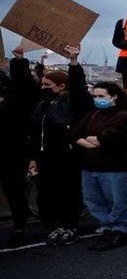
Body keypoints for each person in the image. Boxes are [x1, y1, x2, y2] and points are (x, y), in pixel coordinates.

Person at [23, 47, 89, 245]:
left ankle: (70, 226)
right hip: (45, 155)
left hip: (66, 155)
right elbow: (35, 131)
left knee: (67, 191)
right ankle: (54, 225)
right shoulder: (42, 104)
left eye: (47, 84)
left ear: (61, 86)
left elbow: (79, 88)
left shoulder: (72, 102)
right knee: (47, 192)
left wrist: (74, 62)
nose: (42, 87)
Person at [73, 79, 127, 250]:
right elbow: (76, 133)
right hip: (90, 165)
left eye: (101, 96)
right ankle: (107, 227)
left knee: (117, 199)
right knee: (94, 200)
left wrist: (93, 139)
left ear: (114, 97)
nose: (97, 99)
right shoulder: (92, 114)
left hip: (114, 166)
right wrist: (89, 142)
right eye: (95, 96)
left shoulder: (123, 115)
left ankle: (120, 229)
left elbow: (108, 137)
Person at [1, 48, 37, 247]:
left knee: (14, 189)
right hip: (13, 150)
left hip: (14, 152)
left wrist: (19, 62)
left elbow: (24, 86)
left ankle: (19, 227)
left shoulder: (16, 102)